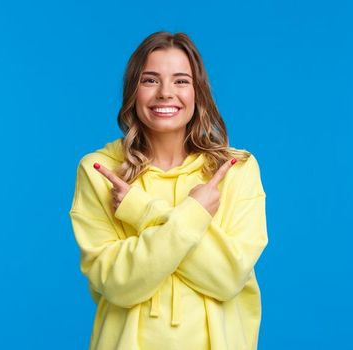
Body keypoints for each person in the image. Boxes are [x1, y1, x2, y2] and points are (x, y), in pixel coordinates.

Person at [69, 31, 269, 350]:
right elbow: (118, 284)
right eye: (150, 80)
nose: (165, 93)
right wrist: (191, 216)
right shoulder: (100, 171)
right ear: (133, 91)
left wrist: (145, 211)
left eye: (180, 81)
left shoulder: (236, 170)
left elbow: (228, 278)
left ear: (197, 92)